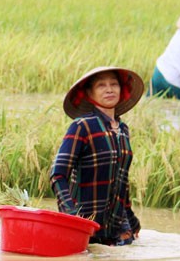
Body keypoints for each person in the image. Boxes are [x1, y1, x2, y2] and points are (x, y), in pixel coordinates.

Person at [50, 66, 143, 246]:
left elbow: (122, 181)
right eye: (101, 85)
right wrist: (73, 216)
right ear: (89, 94)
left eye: (114, 84)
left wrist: (131, 219)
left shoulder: (123, 130)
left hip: (116, 227)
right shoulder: (82, 126)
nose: (109, 89)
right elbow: (58, 174)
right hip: (86, 226)